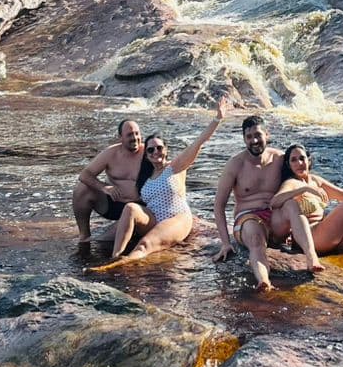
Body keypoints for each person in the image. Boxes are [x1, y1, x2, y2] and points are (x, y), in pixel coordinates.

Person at [89, 98, 230, 268]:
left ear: (166, 150)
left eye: (159, 148)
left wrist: (218, 118)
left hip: (176, 217)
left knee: (144, 245)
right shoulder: (145, 176)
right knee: (130, 208)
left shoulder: (176, 166)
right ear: (146, 155)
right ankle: (115, 257)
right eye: (150, 150)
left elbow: (199, 142)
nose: (156, 152)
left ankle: (117, 266)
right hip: (154, 219)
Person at [213, 115, 324, 290]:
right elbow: (219, 206)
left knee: (291, 204)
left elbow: (303, 175)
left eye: (258, 135)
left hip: (276, 218)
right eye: (249, 137)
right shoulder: (235, 165)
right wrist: (226, 243)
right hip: (247, 219)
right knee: (256, 237)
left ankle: (312, 258)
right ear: (244, 139)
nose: (254, 141)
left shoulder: (280, 159)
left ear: (267, 134)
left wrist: (317, 190)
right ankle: (264, 281)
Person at [271, 143, 343, 254]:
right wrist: (304, 190)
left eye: (302, 158)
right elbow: (274, 202)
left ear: (309, 160)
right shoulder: (292, 183)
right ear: (289, 165)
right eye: (293, 160)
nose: (299, 163)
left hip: (324, 232)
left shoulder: (316, 181)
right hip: (308, 235)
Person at [72, 118, 146, 250]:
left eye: (137, 133)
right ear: (120, 138)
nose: (134, 138)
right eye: (129, 135)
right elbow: (85, 175)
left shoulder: (150, 153)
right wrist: (104, 187)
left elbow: (169, 173)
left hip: (141, 207)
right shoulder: (110, 153)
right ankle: (84, 234)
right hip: (114, 204)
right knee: (82, 189)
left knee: (105, 241)